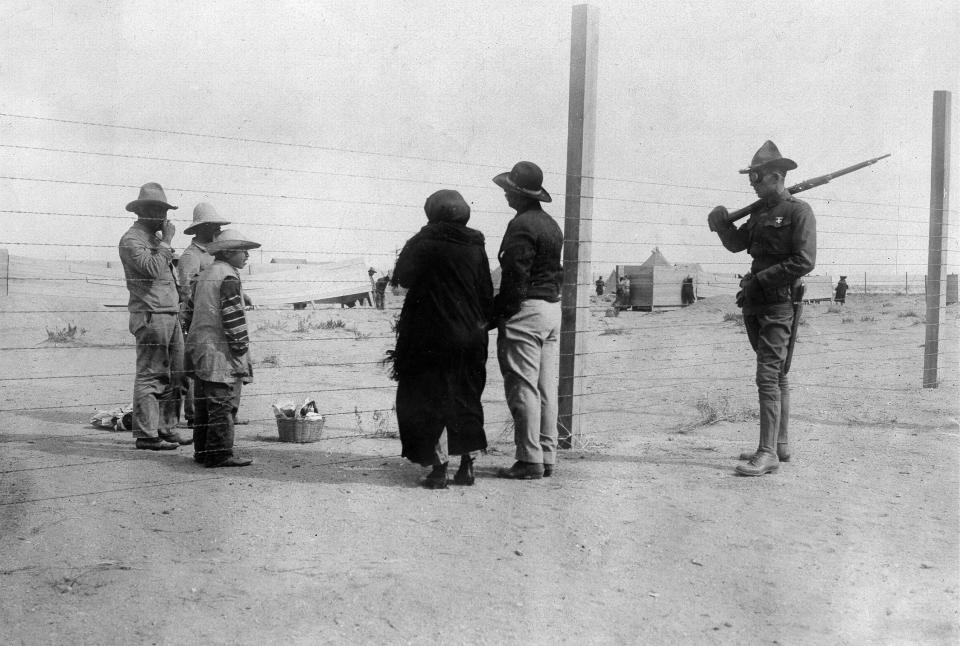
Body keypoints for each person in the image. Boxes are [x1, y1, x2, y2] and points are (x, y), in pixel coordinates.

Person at [708, 141, 816, 476]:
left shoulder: (799, 211)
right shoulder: (758, 213)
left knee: (768, 375)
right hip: (755, 301)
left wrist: (761, 280)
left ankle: (767, 452)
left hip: (780, 301)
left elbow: (804, 260)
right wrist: (722, 225)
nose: (752, 182)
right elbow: (738, 245)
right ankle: (777, 445)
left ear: (775, 176)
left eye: (756, 177)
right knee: (776, 373)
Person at [389, 190, 493, 488]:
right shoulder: (476, 244)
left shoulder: (423, 241)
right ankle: (467, 466)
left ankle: (438, 469)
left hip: (429, 334)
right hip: (471, 335)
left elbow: (404, 278)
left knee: (428, 398)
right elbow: (486, 292)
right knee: (466, 396)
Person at [492, 161, 564, 480]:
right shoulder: (550, 224)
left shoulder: (521, 225)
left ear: (520, 195)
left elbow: (515, 279)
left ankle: (529, 460)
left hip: (527, 310)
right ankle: (547, 456)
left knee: (523, 386)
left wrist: (494, 316)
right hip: (552, 310)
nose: (506, 195)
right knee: (546, 388)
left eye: (509, 190)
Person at [118, 182, 191, 451]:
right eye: (160, 211)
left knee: (177, 374)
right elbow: (150, 269)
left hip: (169, 314)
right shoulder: (131, 240)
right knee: (151, 375)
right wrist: (168, 242)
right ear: (145, 211)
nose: (164, 217)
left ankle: (167, 428)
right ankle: (147, 435)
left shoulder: (154, 240)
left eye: (165, 211)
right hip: (151, 315)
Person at [182, 229, 260, 468]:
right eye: (242, 251)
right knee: (222, 404)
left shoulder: (206, 274)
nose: (247, 256)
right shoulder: (228, 278)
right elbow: (233, 318)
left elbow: (189, 311)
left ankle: (202, 451)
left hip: (200, 347)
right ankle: (219, 453)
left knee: (204, 403)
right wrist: (240, 351)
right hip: (220, 351)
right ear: (227, 252)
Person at [177, 202, 232, 428]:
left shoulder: (213, 254)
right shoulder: (191, 256)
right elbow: (185, 290)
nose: (217, 231)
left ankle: (218, 413)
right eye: (213, 227)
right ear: (202, 228)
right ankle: (194, 416)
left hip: (215, 319)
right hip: (196, 319)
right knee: (196, 368)